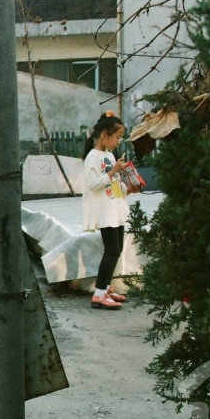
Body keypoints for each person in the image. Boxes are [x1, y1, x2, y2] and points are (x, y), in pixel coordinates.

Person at [82, 111, 130, 310]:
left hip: (115, 207)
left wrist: (129, 188)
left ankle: (106, 288)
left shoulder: (110, 155)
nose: (119, 141)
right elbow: (93, 184)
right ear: (104, 135)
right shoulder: (93, 157)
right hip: (105, 211)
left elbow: (114, 183)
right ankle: (99, 293)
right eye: (116, 137)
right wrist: (113, 171)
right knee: (111, 251)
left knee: (116, 250)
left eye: (120, 137)